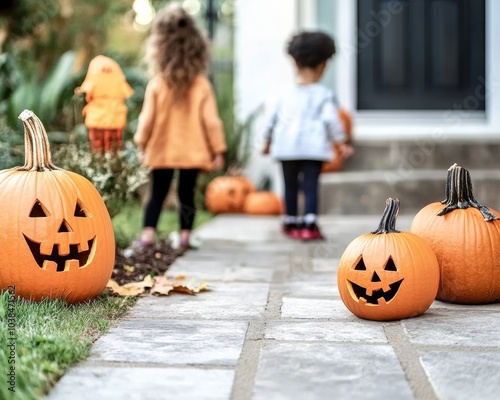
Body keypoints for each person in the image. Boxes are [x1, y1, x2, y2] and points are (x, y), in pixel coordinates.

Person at [132, 5, 227, 254]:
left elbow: (146, 120)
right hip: (193, 150)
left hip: (161, 148)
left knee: (158, 192)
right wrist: (217, 150)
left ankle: (147, 235)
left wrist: (141, 144)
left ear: (160, 49)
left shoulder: (157, 84)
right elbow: (212, 121)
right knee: (187, 192)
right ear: (197, 49)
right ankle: (185, 236)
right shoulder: (201, 85)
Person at [262, 31, 353, 240]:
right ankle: (309, 223)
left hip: (286, 148)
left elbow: (271, 120)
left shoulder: (282, 94)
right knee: (311, 185)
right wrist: (341, 142)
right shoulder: (324, 95)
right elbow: (332, 121)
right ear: (323, 65)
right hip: (314, 149)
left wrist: (266, 142)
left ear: (294, 63)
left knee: (290, 185)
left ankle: (291, 221)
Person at [76, 55, 134, 153]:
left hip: (96, 120)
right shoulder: (116, 71)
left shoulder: (95, 71)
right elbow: (126, 92)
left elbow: (86, 91)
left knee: (98, 151)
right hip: (116, 121)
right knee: (114, 151)